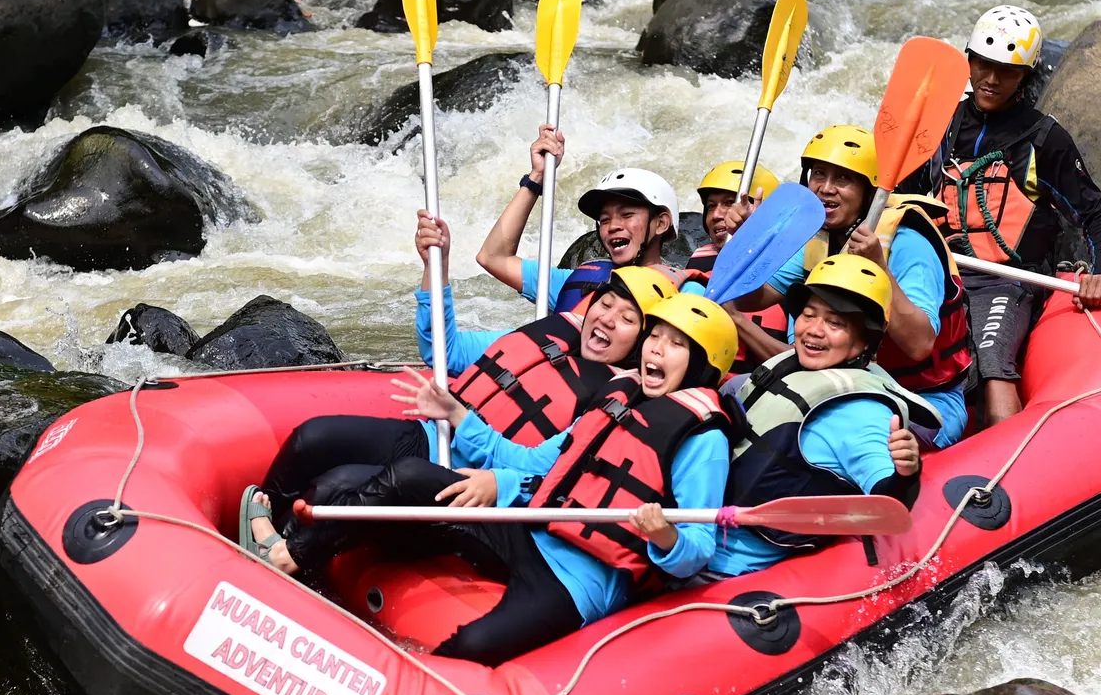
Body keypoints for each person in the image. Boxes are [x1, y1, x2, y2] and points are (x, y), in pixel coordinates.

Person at [240, 212, 676, 578]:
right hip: (431, 435)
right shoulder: (552, 332)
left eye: (626, 319)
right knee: (311, 438)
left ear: (640, 340)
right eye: (605, 305)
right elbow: (441, 349)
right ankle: (261, 534)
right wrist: (437, 265)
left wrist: (462, 418)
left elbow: (540, 472)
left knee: (331, 490)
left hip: (466, 478)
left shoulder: (614, 399)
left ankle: (284, 563)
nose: (606, 320)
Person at [327, 295, 742, 664]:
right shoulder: (619, 396)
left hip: (581, 579)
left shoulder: (702, 441)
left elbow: (698, 548)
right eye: (657, 336)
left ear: (701, 366)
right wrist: (458, 416)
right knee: (412, 477)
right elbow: (534, 462)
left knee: (475, 646)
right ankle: (293, 554)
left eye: (676, 344)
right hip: (528, 529)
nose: (657, 348)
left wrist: (666, 536)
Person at [907, 5, 1101, 425]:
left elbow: (1095, 215)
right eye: (983, 64)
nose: (990, 78)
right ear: (968, 60)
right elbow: (902, 197)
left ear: (1025, 75)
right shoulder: (940, 123)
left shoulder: (1044, 139)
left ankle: (1003, 471)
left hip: (1007, 280)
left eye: (1006, 70)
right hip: (938, 271)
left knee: (992, 365)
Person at [728, 125, 973, 448]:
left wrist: (880, 267)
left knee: (824, 433)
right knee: (732, 396)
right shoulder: (817, 234)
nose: (825, 189)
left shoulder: (908, 241)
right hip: (840, 381)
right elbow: (749, 299)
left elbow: (919, 344)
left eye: (842, 179)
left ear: (868, 190)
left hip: (921, 398)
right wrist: (753, 241)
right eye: (819, 174)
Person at [707, 255, 935, 579]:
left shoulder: (860, 413)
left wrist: (906, 473)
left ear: (864, 340)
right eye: (808, 315)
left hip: (733, 567)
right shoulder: (788, 367)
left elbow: (888, 505)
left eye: (835, 323)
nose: (813, 330)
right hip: (694, 534)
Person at [475, 126, 683, 312]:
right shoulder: (578, 283)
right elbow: (493, 257)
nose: (612, 227)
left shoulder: (686, 293)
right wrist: (537, 176)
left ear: (662, 223)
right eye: (604, 220)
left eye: (627, 215)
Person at [682, 161, 779, 283]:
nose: (716, 215)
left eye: (729, 203)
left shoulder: (784, 258)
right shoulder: (701, 260)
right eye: (711, 206)